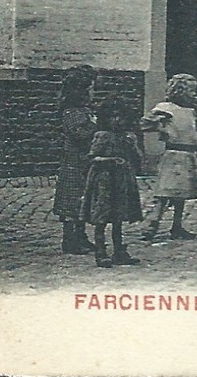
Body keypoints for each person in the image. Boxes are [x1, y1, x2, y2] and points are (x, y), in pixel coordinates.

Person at [141, 73, 197, 242]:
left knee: (181, 194)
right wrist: (161, 127)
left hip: (189, 154)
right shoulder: (166, 108)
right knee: (166, 191)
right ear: (180, 90)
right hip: (174, 154)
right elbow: (145, 123)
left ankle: (176, 226)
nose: (194, 94)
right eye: (191, 90)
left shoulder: (191, 110)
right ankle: (152, 223)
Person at [80, 95, 144, 268]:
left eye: (121, 117)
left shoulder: (127, 137)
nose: (118, 121)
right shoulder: (102, 136)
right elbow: (92, 158)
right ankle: (100, 251)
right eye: (113, 117)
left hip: (122, 180)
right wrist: (110, 160)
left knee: (119, 217)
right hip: (104, 181)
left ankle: (119, 251)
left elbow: (138, 159)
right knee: (102, 216)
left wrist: (134, 146)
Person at [53, 65, 98, 255]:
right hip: (74, 162)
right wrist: (95, 127)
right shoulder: (71, 112)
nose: (92, 92)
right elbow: (79, 134)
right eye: (89, 89)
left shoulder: (86, 111)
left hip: (86, 162)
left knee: (84, 200)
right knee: (71, 201)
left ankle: (81, 236)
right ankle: (69, 239)